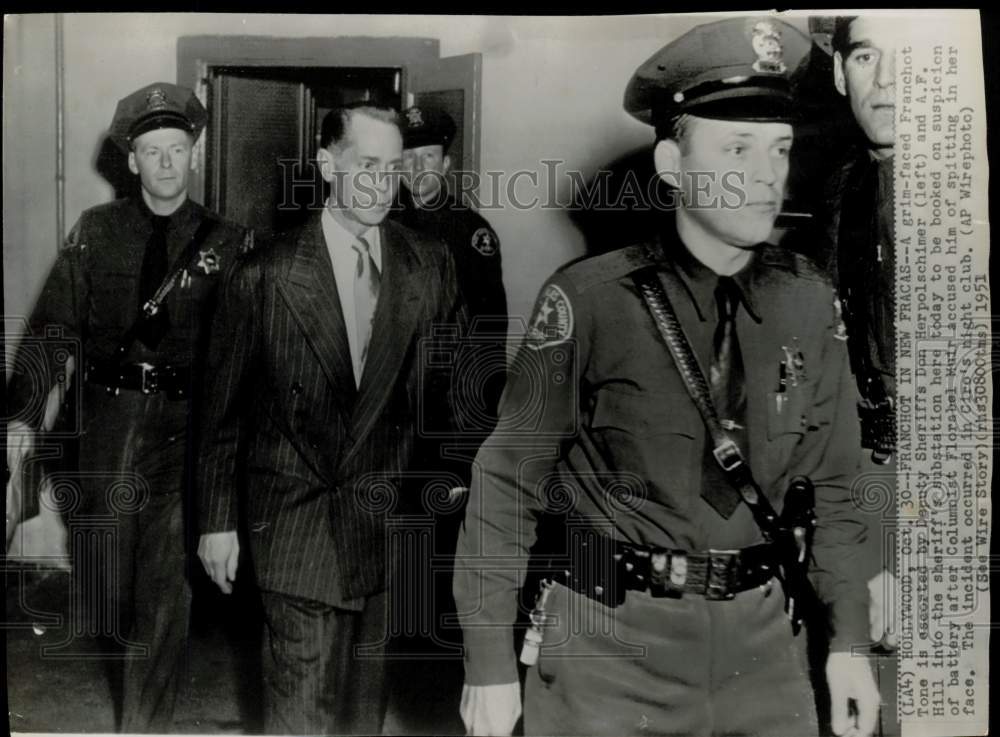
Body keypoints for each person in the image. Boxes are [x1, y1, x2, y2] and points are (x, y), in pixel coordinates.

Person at [454, 17, 881, 737]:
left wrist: (848, 641)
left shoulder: (806, 299)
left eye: (779, 150)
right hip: (609, 647)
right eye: (737, 148)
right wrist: (488, 659)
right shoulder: (587, 300)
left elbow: (839, 482)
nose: (766, 175)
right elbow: (507, 478)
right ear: (672, 165)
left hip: (764, 649)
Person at [196, 102, 466, 735]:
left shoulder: (429, 264)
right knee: (301, 707)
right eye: (366, 164)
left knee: (362, 715)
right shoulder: (265, 272)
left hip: (388, 522)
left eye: (393, 167)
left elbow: (451, 401)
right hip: (296, 519)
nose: (383, 182)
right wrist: (216, 522)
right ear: (327, 165)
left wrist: (451, 489)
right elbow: (221, 412)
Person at [5, 82, 252, 733]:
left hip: (186, 428)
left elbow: (247, 352)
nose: (167, 162)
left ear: (193, 154)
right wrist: (25, 414)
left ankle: (144, 726)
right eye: (153, 150)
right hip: (108, 419)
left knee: (164, 591)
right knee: (109, 586)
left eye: (178, 147)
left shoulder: (228, 243)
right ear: (132, 160)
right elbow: (53, 324)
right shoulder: (97, 232)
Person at [822, 13, 901, 734]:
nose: (891, 80)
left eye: (915, 56)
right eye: (870, 56)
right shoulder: (842, 188)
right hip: (869, 469)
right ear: (841, 69)